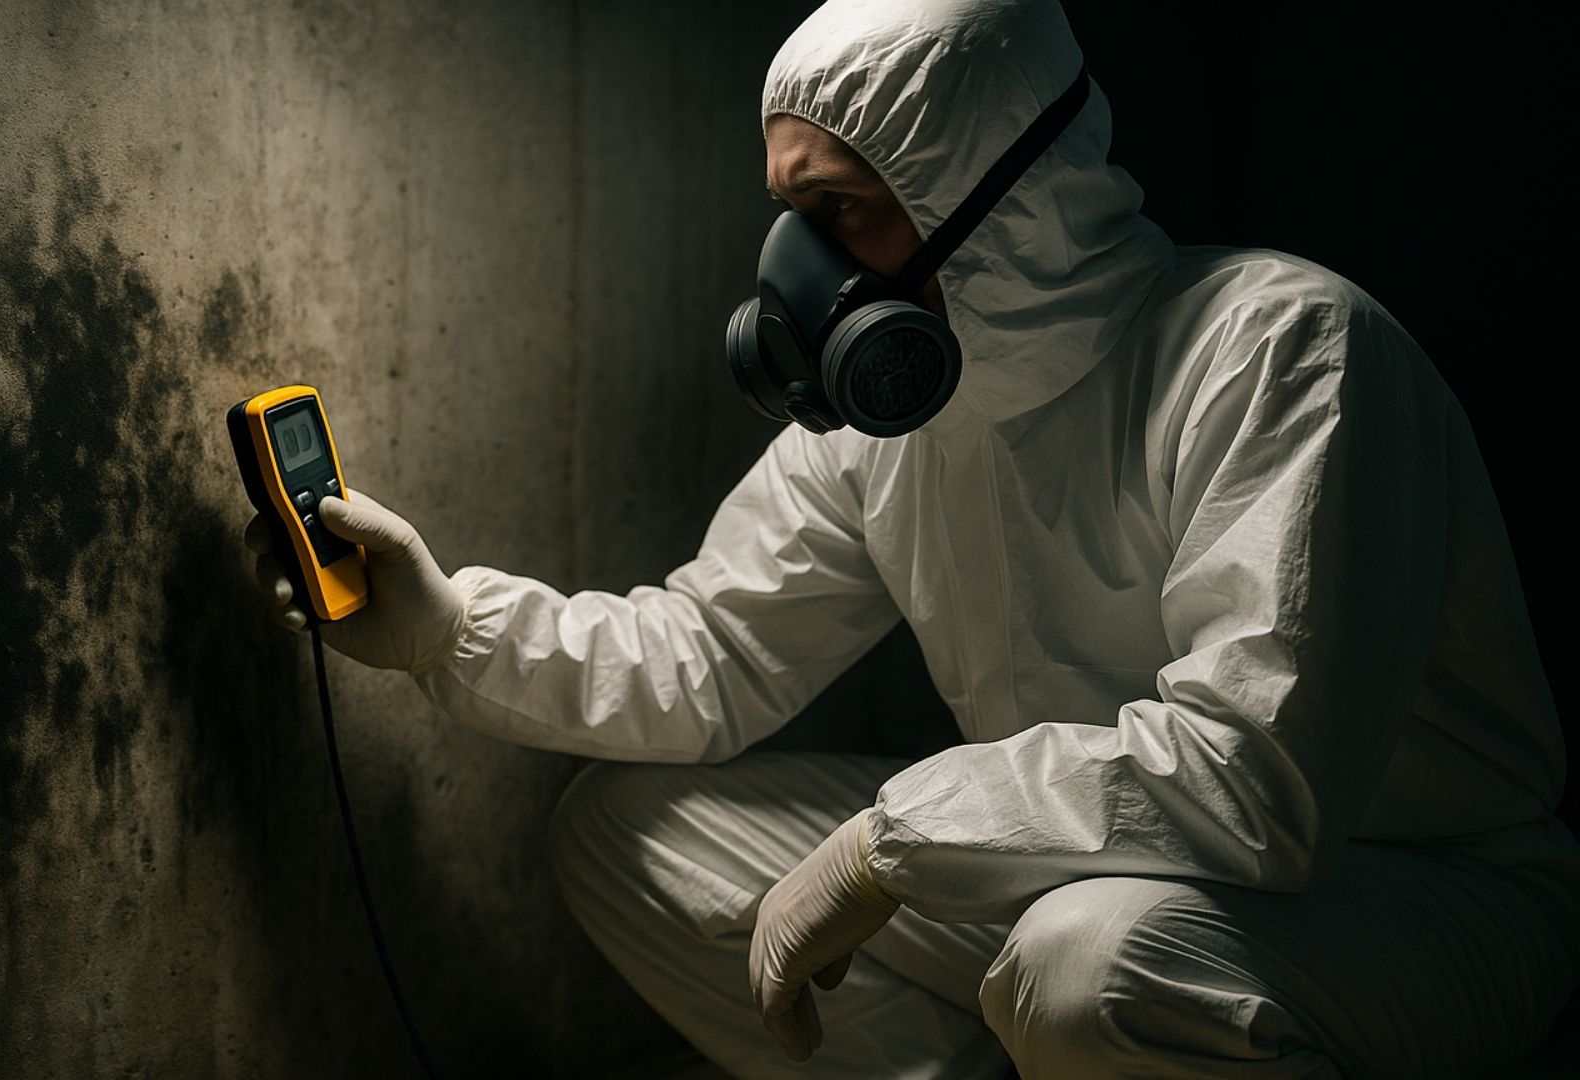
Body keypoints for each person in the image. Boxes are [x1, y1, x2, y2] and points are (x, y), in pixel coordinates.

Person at [243, 0, 1580, 1074]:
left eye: (841, 214)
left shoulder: (1279, 349)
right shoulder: (889, 428)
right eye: (790, 214)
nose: (801, 274)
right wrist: (449, 631)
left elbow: (1250, 782)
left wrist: (893, 841)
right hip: (1076, 864)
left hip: (1409, 898)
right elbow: (710, 654)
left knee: (1090, 965)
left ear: (1002, 195)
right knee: (629, 833)